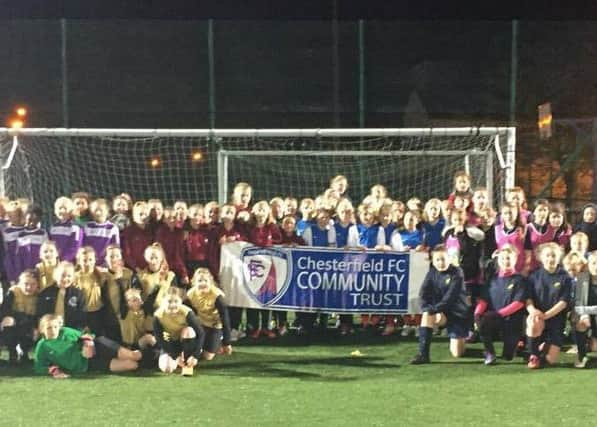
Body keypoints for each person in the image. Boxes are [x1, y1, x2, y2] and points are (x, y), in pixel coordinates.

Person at [411, 245, 469, 364]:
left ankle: (463, 342)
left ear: (449, 259)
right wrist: (426, 308)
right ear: (433, 261)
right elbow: (423, 294)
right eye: (437, 260)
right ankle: (423, 354)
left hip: (457, 313)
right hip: (440, 312)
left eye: (443, 259)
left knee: (457, 353)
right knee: (427, 314)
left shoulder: (457, 273)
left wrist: (436, 309)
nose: (440, 262)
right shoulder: (432, 273)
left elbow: (450, 298)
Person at [33, 313, 140, 378]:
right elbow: (39, 367)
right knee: (132, 365)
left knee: (134, 356)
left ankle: (151, 355)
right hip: (89, 365)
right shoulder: (42, 346)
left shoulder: (65, 332)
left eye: (55, 327)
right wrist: (55, 371)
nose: (53, 331)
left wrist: (88, 344)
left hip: (98, 346)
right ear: (42, 329)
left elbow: (87, 335)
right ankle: (150, 359)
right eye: (49, 328)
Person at [474, 245, 527, 365]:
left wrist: (499, 314)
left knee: (508, 356)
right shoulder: (492, 279)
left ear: (515, 260)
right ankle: (490, 353)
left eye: (508, 258)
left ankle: (517, 347)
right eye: (502, 258)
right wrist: (477, 313)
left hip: (511, 322)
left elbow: (518, 303)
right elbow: (484, 299)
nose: (505, 261)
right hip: (494, 319)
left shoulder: (520, 280)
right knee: (482, 321)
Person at [525, 242, 572, 369]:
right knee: (532, 322)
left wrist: (545, 315)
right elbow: (528, 299)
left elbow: (563, 303)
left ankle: (543, 346)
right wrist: (533, 311)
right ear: (540, 257)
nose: (550, 259)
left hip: (556, 319)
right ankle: (533, 355)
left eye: (553, 256)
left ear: (559, 258)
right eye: (547, 255)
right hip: (538, 318)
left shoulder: (565, 277)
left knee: (550, 360)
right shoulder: (533, 276)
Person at [246, 201, 281, 339]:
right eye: (258, 209)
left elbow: (279, 241)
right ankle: (254, 327)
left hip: (269, 267)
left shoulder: (272, 227)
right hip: (253, 267)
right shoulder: (248, 228)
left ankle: (266, 327)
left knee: (267, 295)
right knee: (253, 296)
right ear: (253, 212)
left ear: (268, 213)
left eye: (264, 209)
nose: (261, 212)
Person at [153, 287, 205, 375]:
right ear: (163, 302)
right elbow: (160, 339)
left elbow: (201, 333)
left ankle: (188, 359)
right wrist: (175, 356)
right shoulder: (158, 316)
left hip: (185, 340)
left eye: (176, 301)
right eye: (169, 301)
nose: (173, 305)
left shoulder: (187, 312)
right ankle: (173, 357)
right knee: (167, 369)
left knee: (189, 330)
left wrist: (195, 356)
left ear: (180, 301)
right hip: (170, 343)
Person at [186, 268, 232, 360]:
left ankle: (219, 340)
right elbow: (186, 312)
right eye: (199, 281)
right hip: (200, 323)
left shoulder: (217, 296)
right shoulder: (190, 294)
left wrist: (227, 342)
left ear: (211, 282)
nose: (203, 283)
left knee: (207, 357)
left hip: (214, 325)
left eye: (205, 281)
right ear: (194, 282)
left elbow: (225, 318)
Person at [0, 269, 39, 364]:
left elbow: (39, 314)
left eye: (33, 284)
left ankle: (24, 353)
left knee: (33, 329)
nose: (29, 287)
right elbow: (5, 311)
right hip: (16, 322)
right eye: (25, 284)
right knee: (7, 321)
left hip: (29, 324)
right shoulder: (13, 292)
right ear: (20, 283)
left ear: (37, 284)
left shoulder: (40, 295)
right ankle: (12, 352)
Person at [36, 261, 86, 330]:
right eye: (63, 275)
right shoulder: (46, 293)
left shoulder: (78, 294)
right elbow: (40, 313)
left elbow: (82, 314)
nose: (66, 279)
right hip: (50, 331)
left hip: (70, 330)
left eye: (69, 276)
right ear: (55, 276)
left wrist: (78, 330)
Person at [562, 251, 591, 368]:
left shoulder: (585, 279)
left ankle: (582, 353)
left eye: (575, 268)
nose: (572, 272)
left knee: (579, 323)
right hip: (568, 308)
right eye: (570, 269)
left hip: (585, 311)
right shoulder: (565, 279)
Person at [74, 246, 109, 336]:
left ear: (95, 260)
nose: (88, 263)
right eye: (84, 260)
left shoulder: (100, 274)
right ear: (79, 261)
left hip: (99, 312)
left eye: (90, 260)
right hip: (84, 314)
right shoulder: (76, 277)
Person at [137, 243, 178, 311]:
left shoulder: (170, 276)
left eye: (156, 258)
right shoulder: (140, 276)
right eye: (151, 258)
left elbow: (174, 297)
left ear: (161, 258)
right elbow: (140, 301)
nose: (154, 261)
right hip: (148, 314)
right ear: (146, 258)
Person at [154, 207, 189, 285]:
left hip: (178, 267)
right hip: (164, 267)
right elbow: (159, 252)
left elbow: (180, 254)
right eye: (169, 218)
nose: (172, 220)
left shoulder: (179, 232)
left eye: (174, 217)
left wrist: (184, 272)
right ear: (163, 219)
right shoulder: (160, 233)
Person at [83, 198, 120, 267]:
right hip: (90, 264)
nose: (98, 213)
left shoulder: (112, 228)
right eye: (95, 210)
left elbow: (115, 247)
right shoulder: (87, 226)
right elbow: (84, 246)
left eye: (100, 210)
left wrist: (107, 262)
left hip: (106, 264)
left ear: (107, 211)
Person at [15, 204, 48, 275]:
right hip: (25, 271)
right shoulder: (21, 235)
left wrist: (41, 268)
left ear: (39, 220)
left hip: (40, 271)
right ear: (25, 218)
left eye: (35, 220)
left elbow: (46, 252)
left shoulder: (42, 233)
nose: (32, 222)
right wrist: (19, 271)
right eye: (29, 220)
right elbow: (18, 256)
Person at [524, 199, 556, 273]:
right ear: (534, 212)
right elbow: (526, 249)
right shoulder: (528, 228)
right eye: (540, 210)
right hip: (532, 266)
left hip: (547, 266)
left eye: (545, 210)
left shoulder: (552, 229)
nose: (542, 213)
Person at [49, 196, 83, 263]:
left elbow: (75, 247)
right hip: (54, 263)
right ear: (55, 211)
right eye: (60, 208)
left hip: (69, 263)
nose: (62, 211)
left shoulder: (75, 228)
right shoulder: (53, 227)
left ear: (70, 211)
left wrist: (65, 260)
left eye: (65, 208)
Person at [121, 201, 154, 271]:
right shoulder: (128, 232)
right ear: (134, 215)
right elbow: (126, 254)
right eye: (140, 214)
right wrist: (135, 267)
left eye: (146, 214)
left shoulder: (151, 231)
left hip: (149, 269)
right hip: (133, 270)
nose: (143, 217)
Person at [494, 203, 526, 274]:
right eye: (505, 213)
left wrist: (525, 267)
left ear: (516, 214)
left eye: (511, 213)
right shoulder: (497, 228)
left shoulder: (522, 229)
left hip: (518, 267)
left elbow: (527, 249)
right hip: (502, 267)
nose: (508, 216)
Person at [185, 203, 211, 274]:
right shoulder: (185, 231)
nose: (197, 217)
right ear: (189, 215)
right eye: (195, 214)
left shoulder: (207, 230)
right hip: (189, 264)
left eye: (200, 215)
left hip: (205, 263)